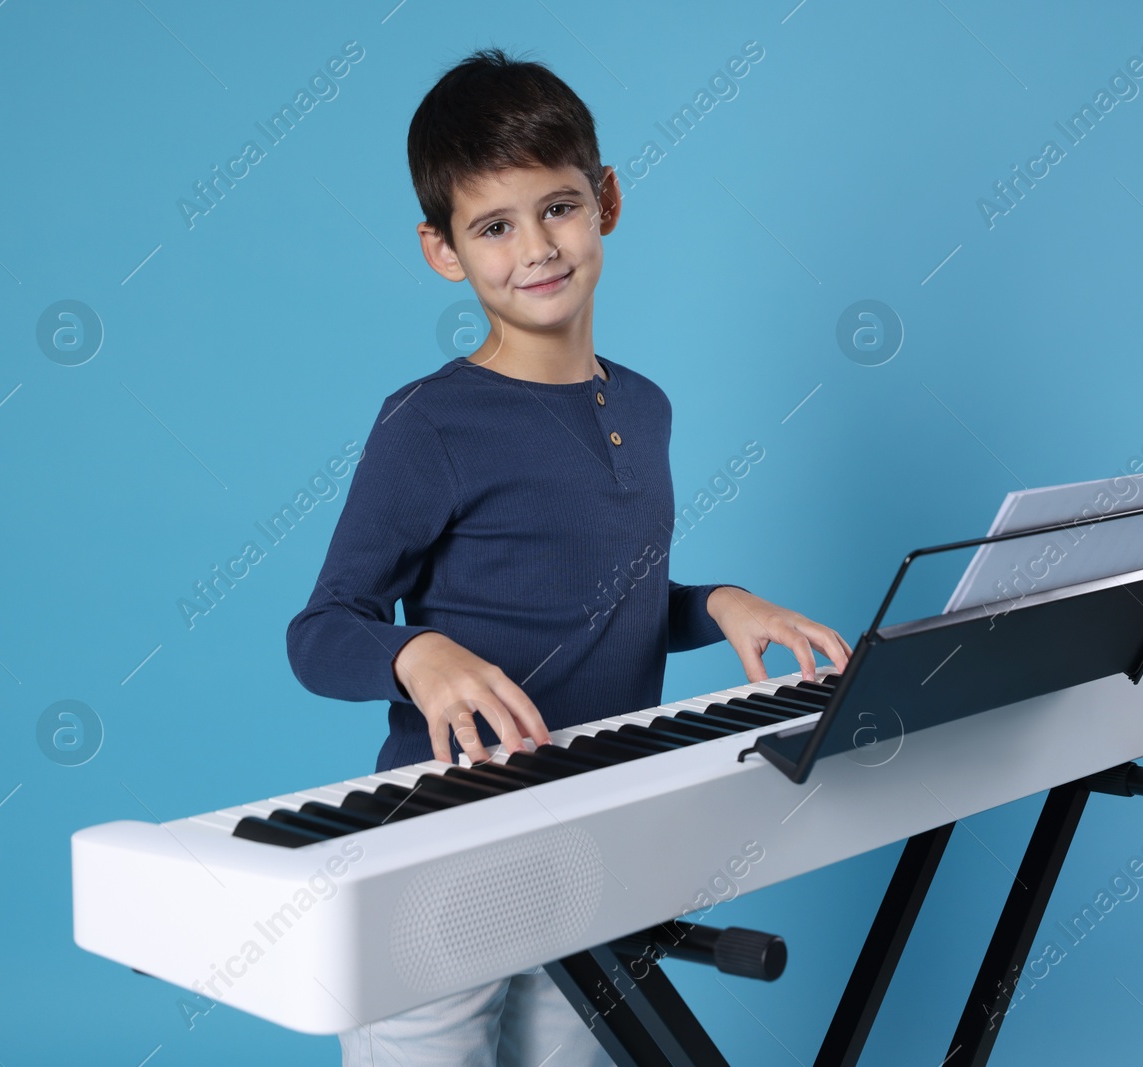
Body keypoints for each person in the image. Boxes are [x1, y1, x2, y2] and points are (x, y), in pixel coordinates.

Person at [286, 47, 850, 1067]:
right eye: (493, 226)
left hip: (593, 824)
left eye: (557, 208)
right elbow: (322, 630)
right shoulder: (429, 424)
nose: (536, 247)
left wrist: (716, 601)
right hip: (441, 838)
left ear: (608, 201)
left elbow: (606, 597)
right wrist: (416, 654)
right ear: (442, 250)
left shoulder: (643, 404)